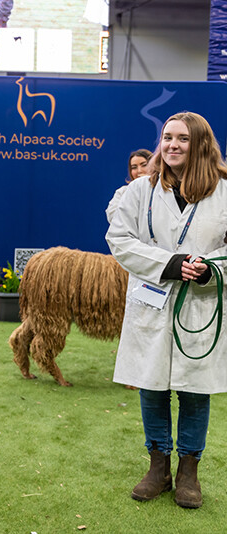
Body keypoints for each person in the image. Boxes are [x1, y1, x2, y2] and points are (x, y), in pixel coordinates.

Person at [106, 111, 227, 509]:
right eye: (167, 137)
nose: (172, 145)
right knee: (151, 384)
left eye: (183, 139)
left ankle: (188, 472)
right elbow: (119, 238)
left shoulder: (223, 191)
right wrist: (171, 264)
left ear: (202, 144)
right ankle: (157, 466)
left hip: (200, 303)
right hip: (151, 298)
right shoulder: (141, 190)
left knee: (194, 390)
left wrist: (210, 269)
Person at [106, 148, 152, 224]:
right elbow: (113, 217)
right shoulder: (122, 192)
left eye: (144, 165)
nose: (139, 171)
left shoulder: (163, 189)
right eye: (134, 167)